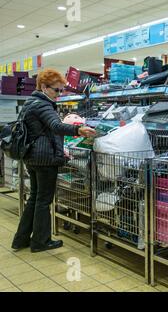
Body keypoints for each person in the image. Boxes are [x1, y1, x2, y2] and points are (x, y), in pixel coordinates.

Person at [11, 68, 96, 253]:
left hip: (32, 156)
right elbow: (55, 125)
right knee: (43, 200)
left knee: (34, 198)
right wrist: (78, 130)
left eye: (61, 91)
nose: (59, 94)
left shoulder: (31, 101)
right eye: (56, 90)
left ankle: (21, 239)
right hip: (45, 158)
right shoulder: (42, 104)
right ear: (43, 87)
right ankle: (41, 241)